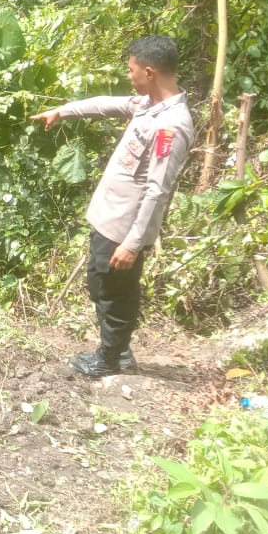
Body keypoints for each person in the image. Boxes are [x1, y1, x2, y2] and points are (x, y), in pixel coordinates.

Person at [31, 36, 195, 377]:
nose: (128, 75)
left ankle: (108, 359)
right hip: (109, 218)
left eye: (131, 70)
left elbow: (157, 190)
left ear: (149, 72)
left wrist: (132, 243)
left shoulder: (171, 125)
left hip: (124, 226)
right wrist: (62, 111)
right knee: (102, 285)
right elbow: (106, 104)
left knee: (114, 292)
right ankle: (118, 350)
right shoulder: (149, 104)